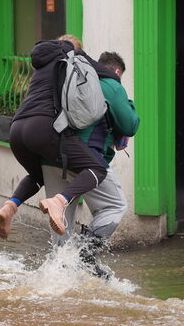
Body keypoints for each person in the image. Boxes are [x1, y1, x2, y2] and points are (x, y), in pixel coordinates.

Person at [0, 36, 121, 239]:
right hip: (43, 127)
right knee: (97, 168)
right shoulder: (72, 55)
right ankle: (59, 201)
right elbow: (108, 75)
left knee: (37, 176)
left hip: (17, 129)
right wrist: (115, 80)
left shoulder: (43, 63)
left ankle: (10, 206)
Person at [42, 51, 139, 277]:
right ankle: (85, 253)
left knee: (61, 217)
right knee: (115, 205)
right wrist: (128, 103)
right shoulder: (110, 84)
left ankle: (58, 277)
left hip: (51, 156)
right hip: (85, 158)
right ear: (116, 71)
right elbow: (130, 125)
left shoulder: (72, 78)